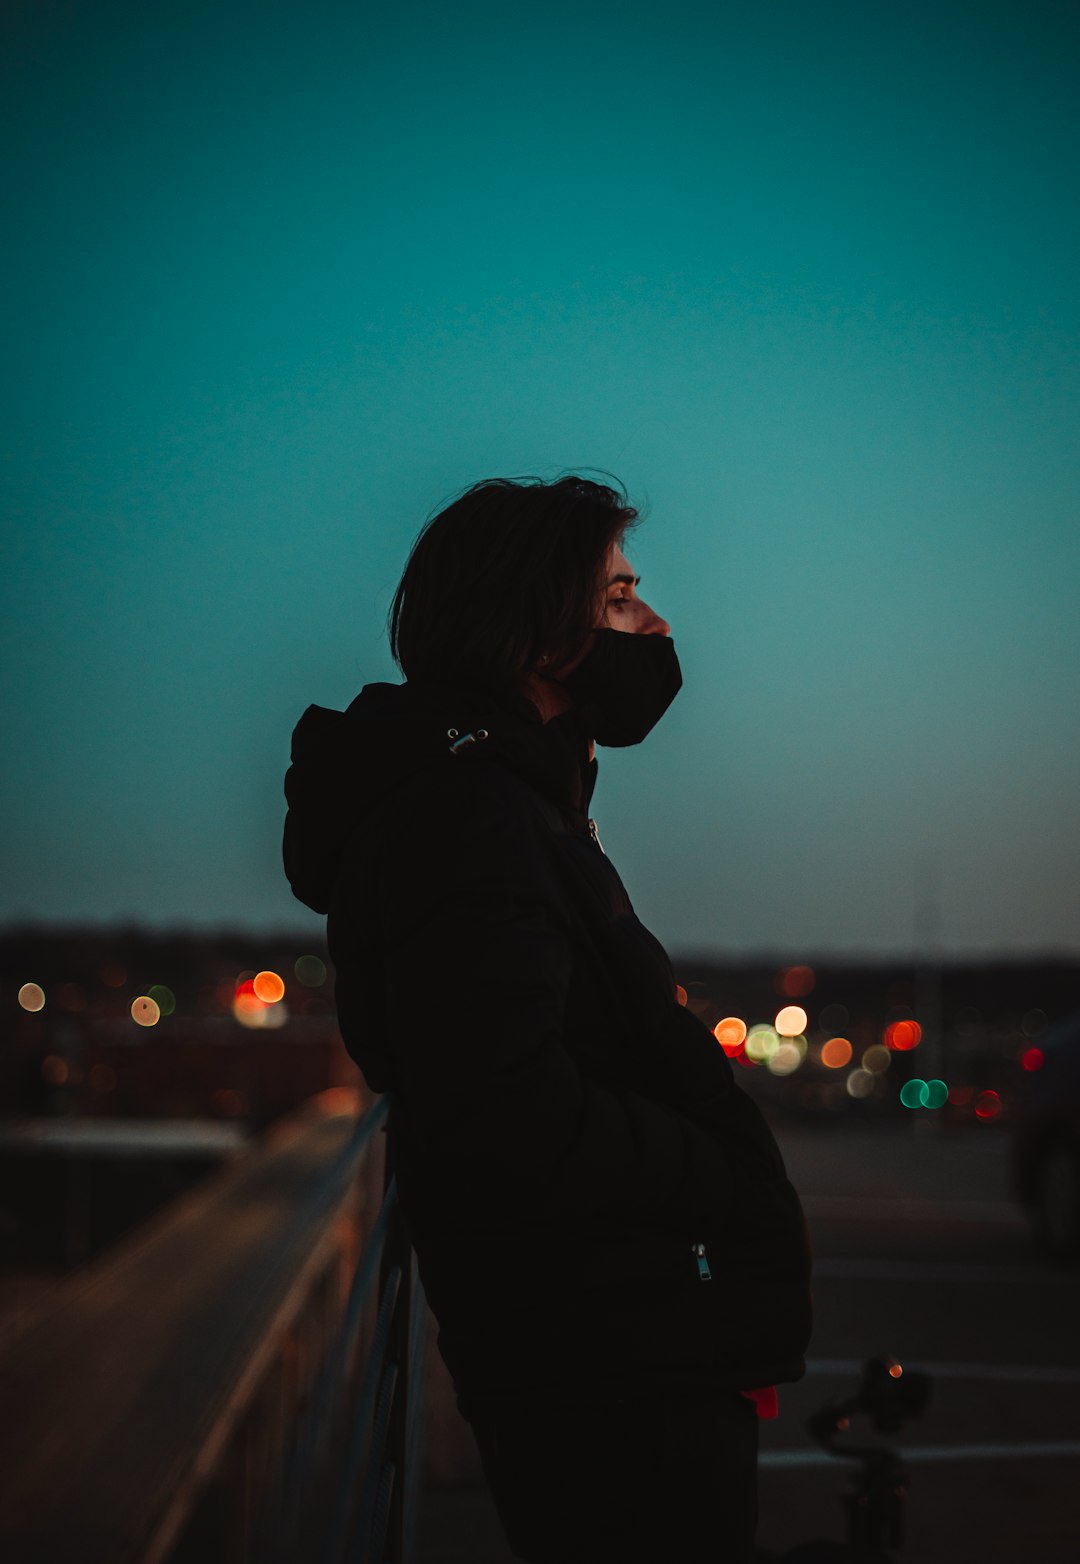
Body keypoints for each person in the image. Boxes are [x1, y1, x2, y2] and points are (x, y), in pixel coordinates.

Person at [282, 474, 812, 1563]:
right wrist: (714, 1172)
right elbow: (502, 1103)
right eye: (620, 597)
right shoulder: (472, 817)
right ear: (533, 624)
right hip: (603, 1360)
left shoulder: (511, 798)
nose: (656, 624)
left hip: (608, 1335)